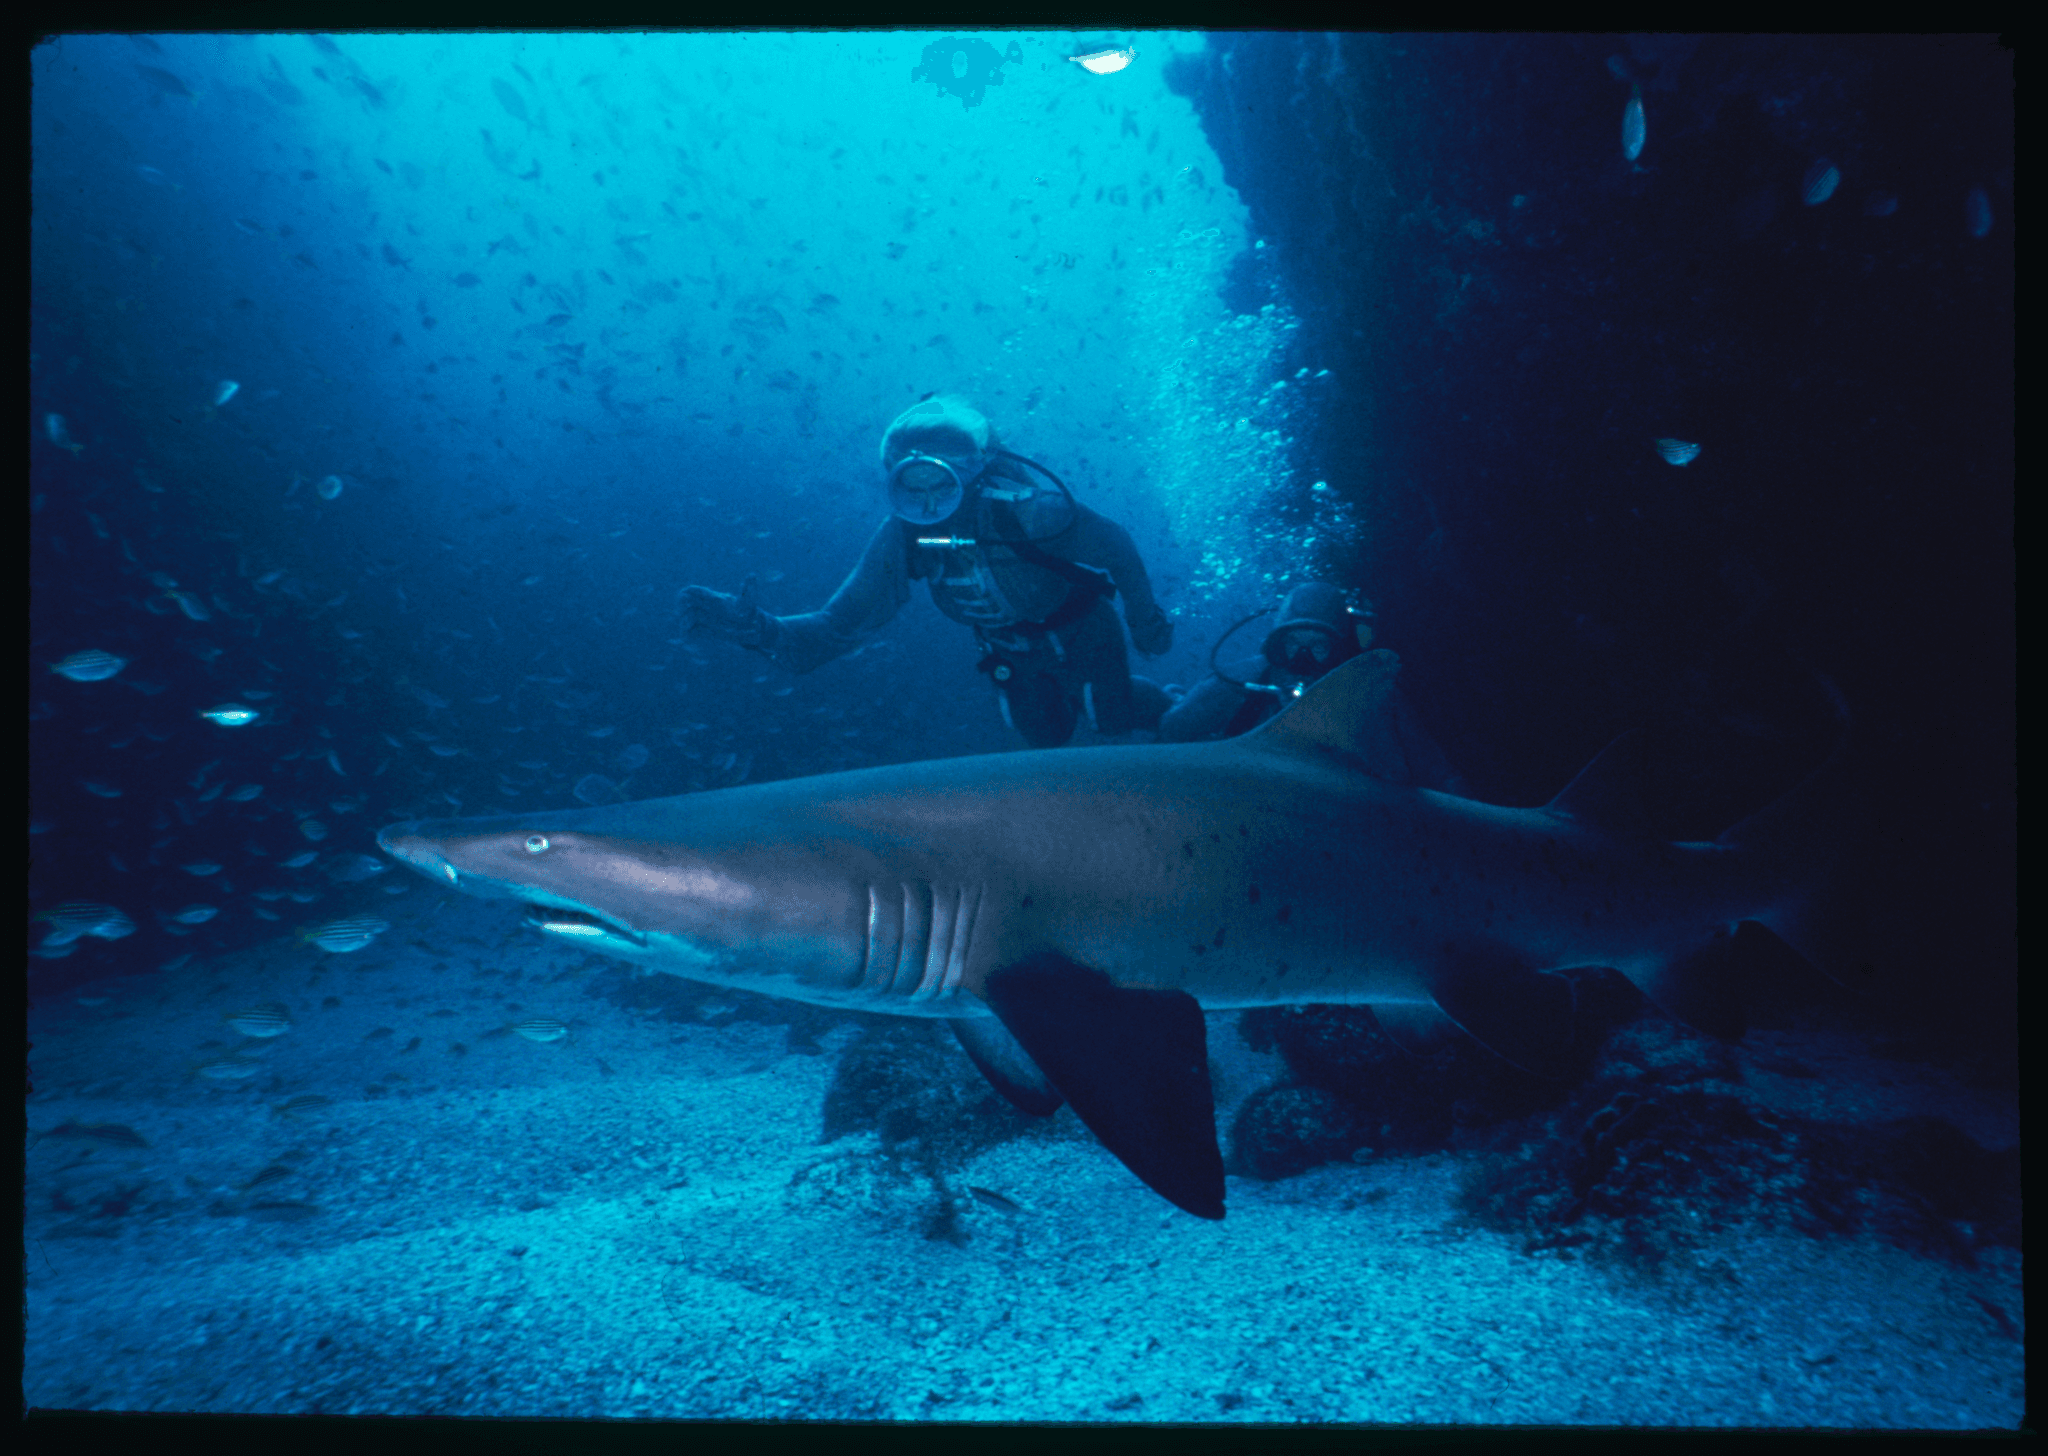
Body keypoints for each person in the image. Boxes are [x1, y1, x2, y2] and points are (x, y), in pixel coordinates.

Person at [681, 395, 1175, 748]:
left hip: (1084, 633)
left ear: (976, 472)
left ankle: (1168, 713)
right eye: (911, 488)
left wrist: (1144, 621)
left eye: (942, 483)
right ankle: (1136, 705)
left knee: (1111, 725)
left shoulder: (1032, 512)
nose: (928, 503)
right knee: (1044, 739)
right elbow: (838, 625)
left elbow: (1115, 546)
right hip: (1006, 648)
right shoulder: (903, 534)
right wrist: (758, 629)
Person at [1159, 580, 1468, 793]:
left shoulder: (1373, 696)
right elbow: (1173, 728)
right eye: (1293, 643)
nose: (1303, 659)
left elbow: (1440, 775)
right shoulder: (1242, 683)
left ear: (1340, 649)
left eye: (1319, 646)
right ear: (1277, 643)